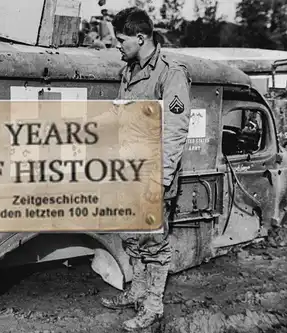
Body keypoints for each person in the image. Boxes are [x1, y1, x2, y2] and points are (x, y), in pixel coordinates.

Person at [94, 6, 192, 331]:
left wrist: (161, 181)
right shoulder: (130, 69)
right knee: (130, 235)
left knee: (154, 242)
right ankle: (136, 291)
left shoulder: (170, 73)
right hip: (128, 171)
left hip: (152, 176)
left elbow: (176, 131)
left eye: (121, 40)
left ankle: (153, 307)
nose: (117, 46)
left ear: (140, 37)